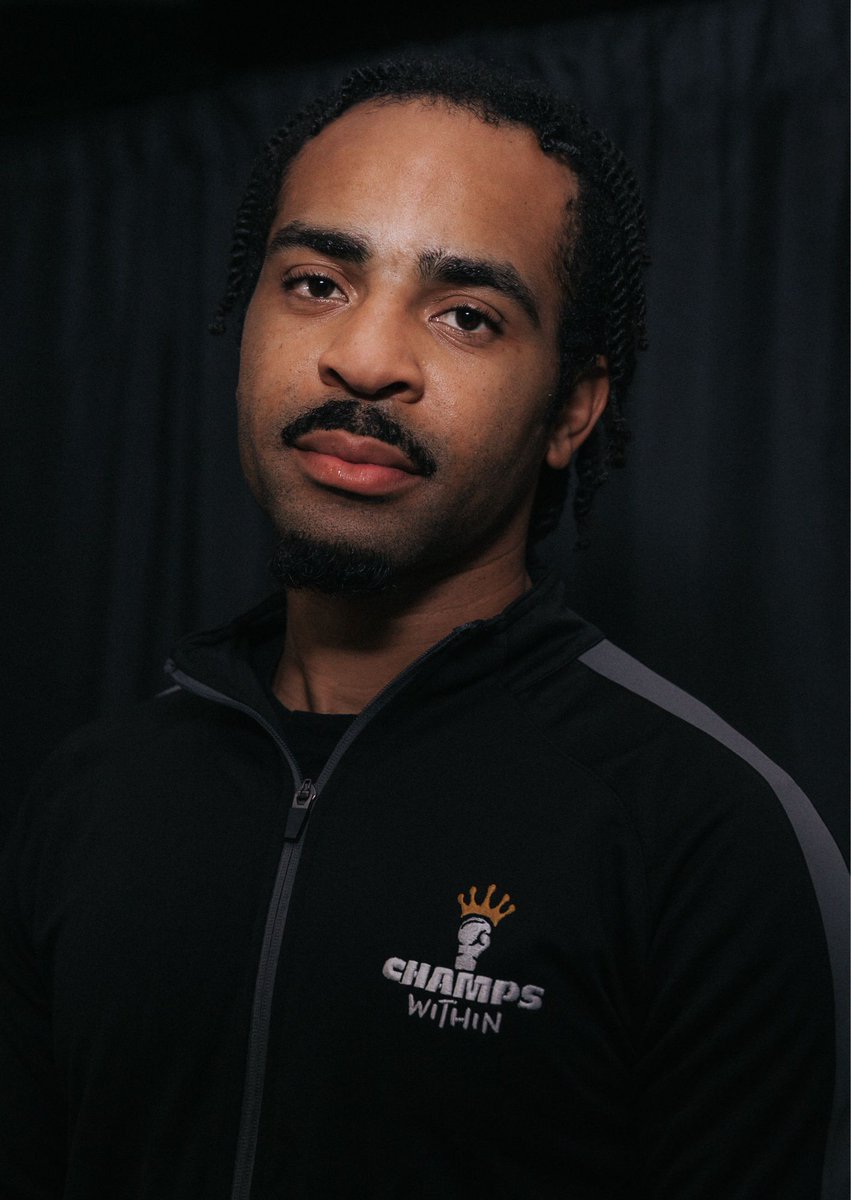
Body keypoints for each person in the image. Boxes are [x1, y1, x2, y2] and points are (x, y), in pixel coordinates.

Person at [1, 58, 846, 1200]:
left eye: (464, 314)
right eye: (315, 282)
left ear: (570, 410)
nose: (365, 358)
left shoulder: (705, 842)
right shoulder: (87, 795)